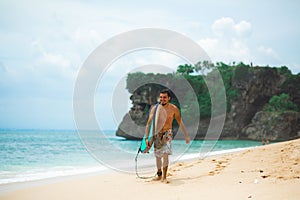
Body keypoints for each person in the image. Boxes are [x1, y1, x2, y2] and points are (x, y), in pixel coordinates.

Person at [145, 89, 190, 183]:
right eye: (161, 97)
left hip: (167, 134)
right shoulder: (155, 109)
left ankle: (164, 177)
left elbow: (180, 122)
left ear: (169, 98)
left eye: (164, 97)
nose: (162, 99)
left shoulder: (174, 109)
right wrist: (146, 138)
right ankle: (159, 174)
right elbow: (148, 124)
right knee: (158, 156)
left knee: (165, 155)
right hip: (157, 134)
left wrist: (186, 135)